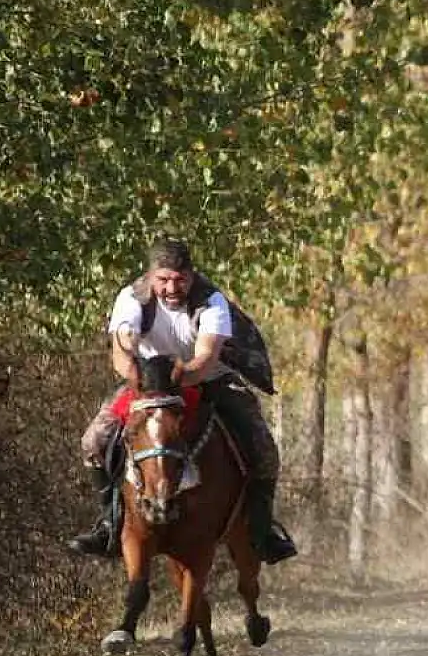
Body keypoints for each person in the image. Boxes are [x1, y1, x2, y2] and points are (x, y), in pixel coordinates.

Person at [71, 236, 297, 564]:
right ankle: (109, 523)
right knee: (93, 442)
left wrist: (178, 376)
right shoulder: (132, 298)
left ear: (191, 277)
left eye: (180, 280)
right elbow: (121, 352)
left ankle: (263, 531)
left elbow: (205, 357)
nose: (171, 288)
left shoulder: (212, 301)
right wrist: (133, 364)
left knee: (264, 451)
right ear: (151, 277)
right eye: (163, 280)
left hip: (207, 380)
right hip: (148, 384)